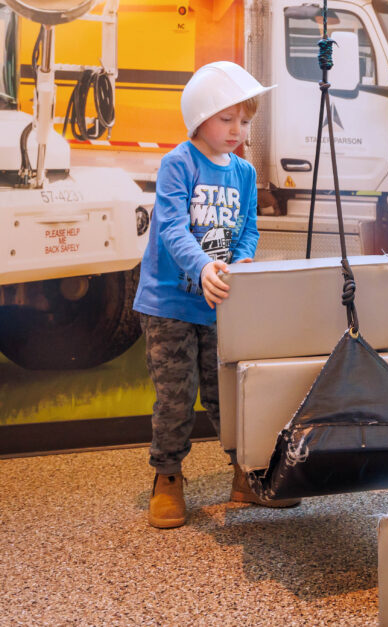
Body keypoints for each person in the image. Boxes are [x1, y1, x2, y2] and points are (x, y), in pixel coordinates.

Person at [133, 61, 297, 528]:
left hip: (220, 306)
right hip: (169, 306)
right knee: (176, 397)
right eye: (226, 119)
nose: (237, 130)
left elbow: (248, 229)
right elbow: (170, 228)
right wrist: (203, 266)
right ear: (199, 116)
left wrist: (241, 261)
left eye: (244, 121)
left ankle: (245, 473)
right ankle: (167, 477)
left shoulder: (243, 172)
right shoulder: (178, 164)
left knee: (229, 395)